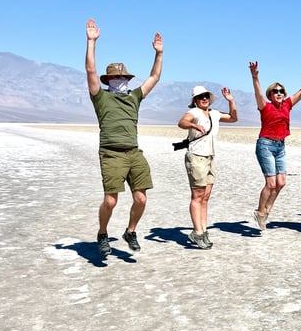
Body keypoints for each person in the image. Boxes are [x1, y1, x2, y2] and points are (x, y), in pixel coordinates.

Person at [85, 18, 163, 256]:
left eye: (124, 78)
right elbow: (90, 70)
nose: (120, 81)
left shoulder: (134, 97)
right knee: (110, 201)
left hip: (133, 153)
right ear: (108, 81)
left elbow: (154, 77)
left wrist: (159, 54)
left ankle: (130, 231)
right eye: (116, 78)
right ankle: (102, 233)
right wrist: (91, 42)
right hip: (111, 153)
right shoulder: (101, 97)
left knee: (141, 199)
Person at [248, 57, 301, 233]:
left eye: (281, 91)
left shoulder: (287, 104)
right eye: (275, 91)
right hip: (265, 145)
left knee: (281, 182)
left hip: (280, 147)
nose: (279, 93)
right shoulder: (265, 106)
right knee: (271, 184)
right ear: (270, 95)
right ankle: (259, 212)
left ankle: (266, 211)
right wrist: (255, 77)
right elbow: (258, 94)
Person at [176, 86, 239, 249]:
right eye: (200, 97)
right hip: (197, 157)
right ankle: (198, 232)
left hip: (210, 157)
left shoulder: (214, 113)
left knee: (205, 196)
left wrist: (231, 100)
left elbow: (233, 118)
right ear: (195, 100)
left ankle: (203, 231)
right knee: (197, 196)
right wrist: (194, 126)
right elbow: (182, 122)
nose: (204, 99)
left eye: (206, 96)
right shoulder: (195, 112)